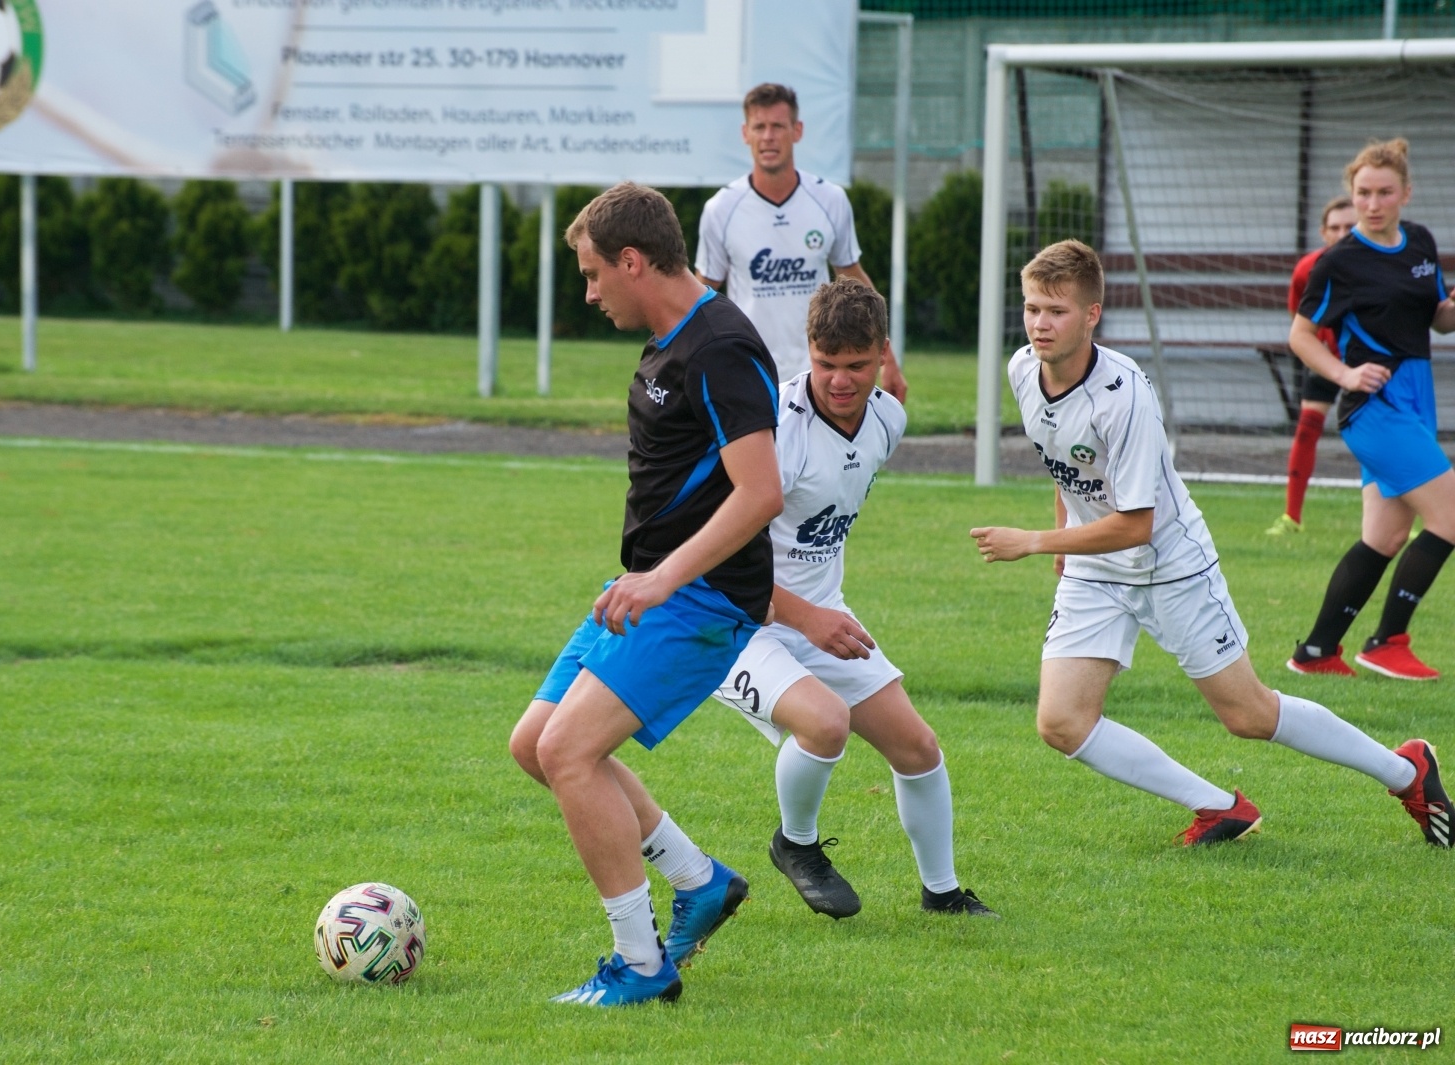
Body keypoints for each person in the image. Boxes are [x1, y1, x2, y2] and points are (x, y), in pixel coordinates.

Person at [968, 239, 1449, 851]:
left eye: (1057, 311)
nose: (1040, 323)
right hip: (1095, 568)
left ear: (1092, 314)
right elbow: (1064, 461)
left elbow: (1137, 523)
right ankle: (1219, 806)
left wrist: (1035, 542)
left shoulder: (1125, 396)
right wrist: (1066, 536)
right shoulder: (1021, 371)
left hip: (1170, 565)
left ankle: (1407, 771)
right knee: (1062, 723)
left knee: (1248, 715)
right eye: (1033, 307)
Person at [508, 183, 784, 1007]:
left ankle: (640, 964)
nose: (590, 293)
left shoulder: (721, 347)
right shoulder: (672, 338)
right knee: (537, 744)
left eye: (594, 275)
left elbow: (760, 490)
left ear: (634, 261)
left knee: (569, 752)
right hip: (647, 587)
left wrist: (665, 576)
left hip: (696, 600)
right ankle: (699, 881)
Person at [712, 278, 997, 920]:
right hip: (730, 621)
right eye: (825, 364)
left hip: (818, 618)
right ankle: (797, 845)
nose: (840, 381)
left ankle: (943, 894)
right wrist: (807, 616)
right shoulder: (773, 430)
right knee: (824, 723)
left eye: (857, 365)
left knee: (918, 749)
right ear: (807, 351)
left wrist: (818, 613)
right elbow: (723, 561)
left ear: (882, 356)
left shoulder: (888, 417)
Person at [1286, 138, 1455, 680]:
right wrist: (1343, 374)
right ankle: (1386, 642)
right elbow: (1301, 335)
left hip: (1417, 396)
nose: (1373, 203)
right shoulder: (1339, 261)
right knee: (1451, 517)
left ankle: (1315, 653)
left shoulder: (1421, 243)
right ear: (1351, 196)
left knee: (1383, 538)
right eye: (1363, 193)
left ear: (1406, 193)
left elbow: (1439, 319)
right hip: (1374, 408)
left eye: (1385, 192)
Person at [695, 82, 908, 401]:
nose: (768, 136)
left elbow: (854, 279)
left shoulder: (830, 199)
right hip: (748, 371)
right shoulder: (721, 209)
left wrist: (887, 358)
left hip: (820, 376)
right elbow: (702, 297)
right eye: (760, 127)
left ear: (797, 130)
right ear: (745, 133)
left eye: (778, 126)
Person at [1268, 195, 1357, 536]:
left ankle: (1397, 517)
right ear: (1323, 233)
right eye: (1335, 227)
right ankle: (1292, 518)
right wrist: (1319, 349)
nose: (1342, 233)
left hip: (1367, 363)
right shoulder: (1308, 268)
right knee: (1307, 427)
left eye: (1349, 226)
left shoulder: (1377, 267)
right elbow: (1298, 317)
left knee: (1375, 436)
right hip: (1327, 359)